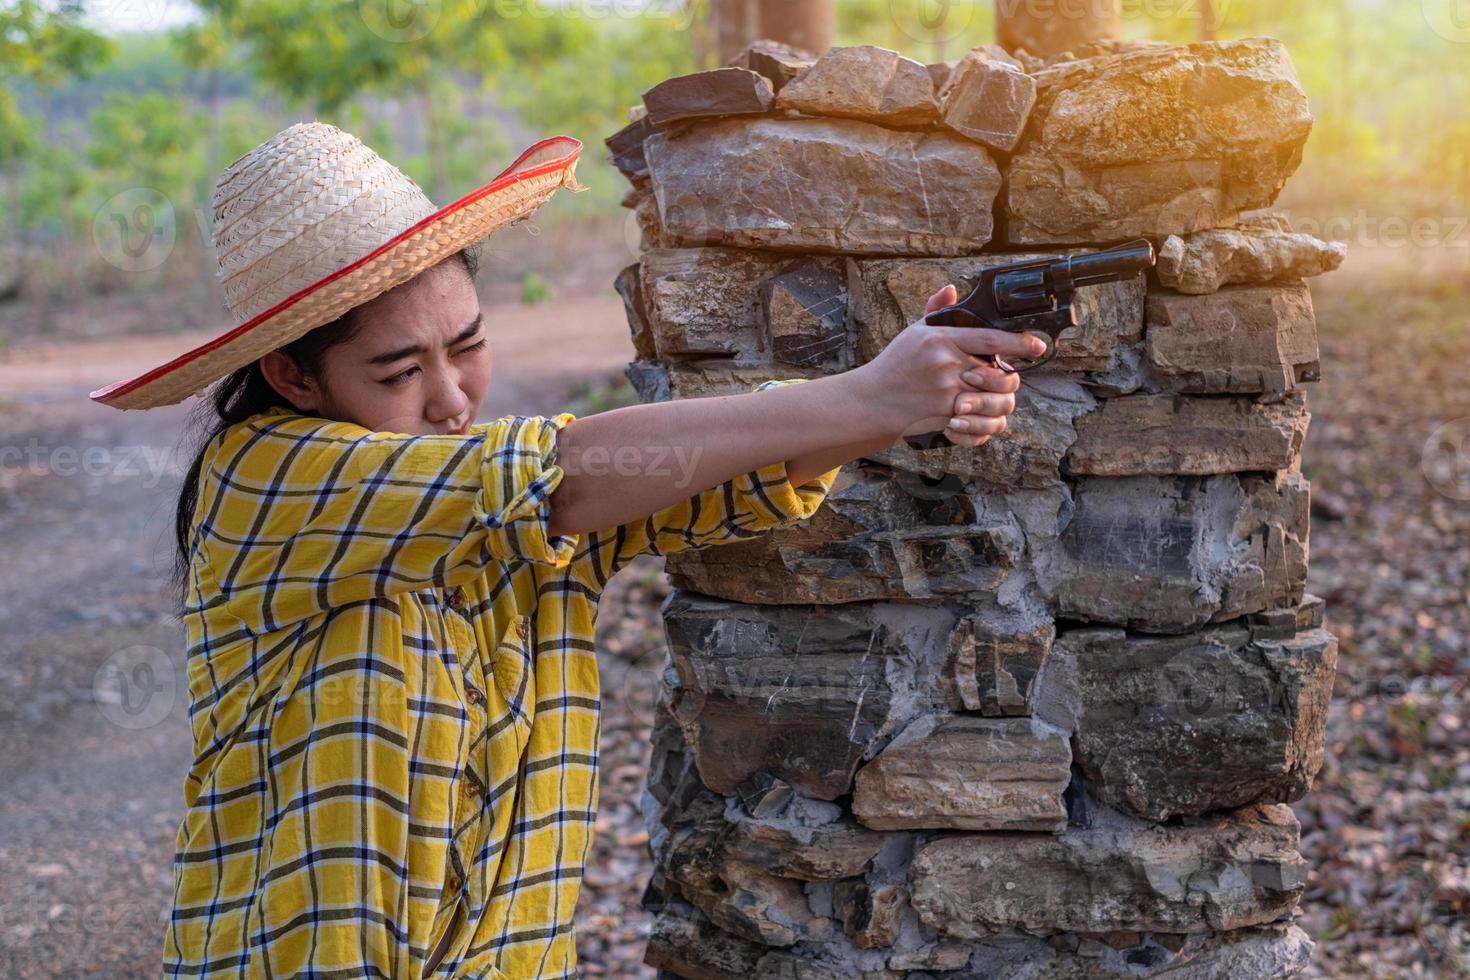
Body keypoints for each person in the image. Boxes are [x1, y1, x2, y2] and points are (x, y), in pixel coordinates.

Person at [90, 121, 1033, 979]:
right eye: (399, 371)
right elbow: (566, 474)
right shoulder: (262, 478)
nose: (453, 397)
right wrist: (871, 396)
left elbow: (726, 476)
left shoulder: (511, 509)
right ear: (292, 374)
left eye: (466, 346)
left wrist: (917, 394)